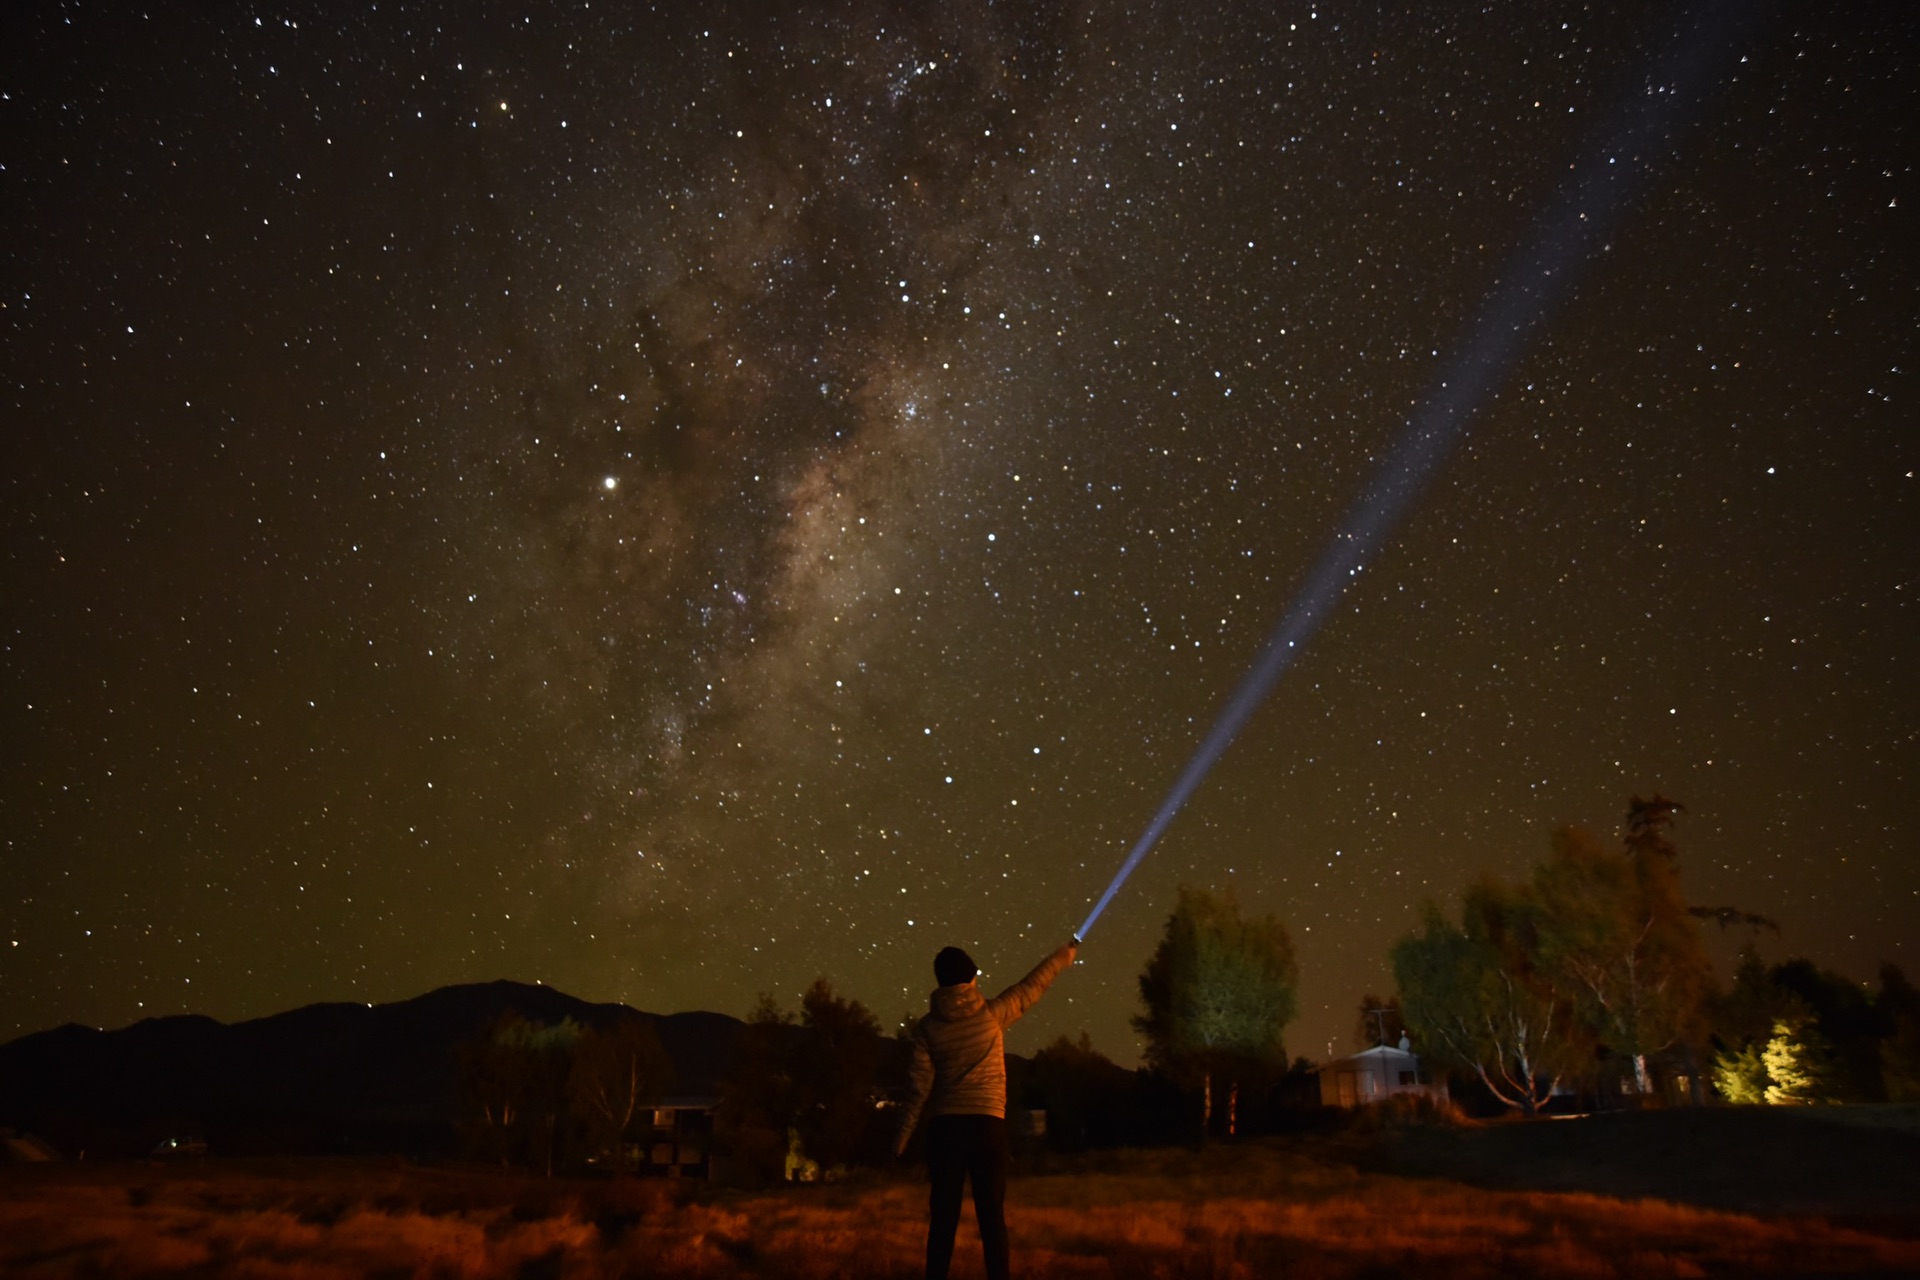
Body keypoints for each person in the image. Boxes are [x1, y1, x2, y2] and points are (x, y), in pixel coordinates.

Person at [894, 937, 1078, 1280]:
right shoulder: (992, 1015)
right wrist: (1061, 958)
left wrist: (902, 1135)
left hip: (945, 1129)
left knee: (943, 1220)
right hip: (987, 1125)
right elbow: (1031, 986)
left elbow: (917, 1087)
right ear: (969, 980)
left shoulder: (927, 1029)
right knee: (992, 1218)